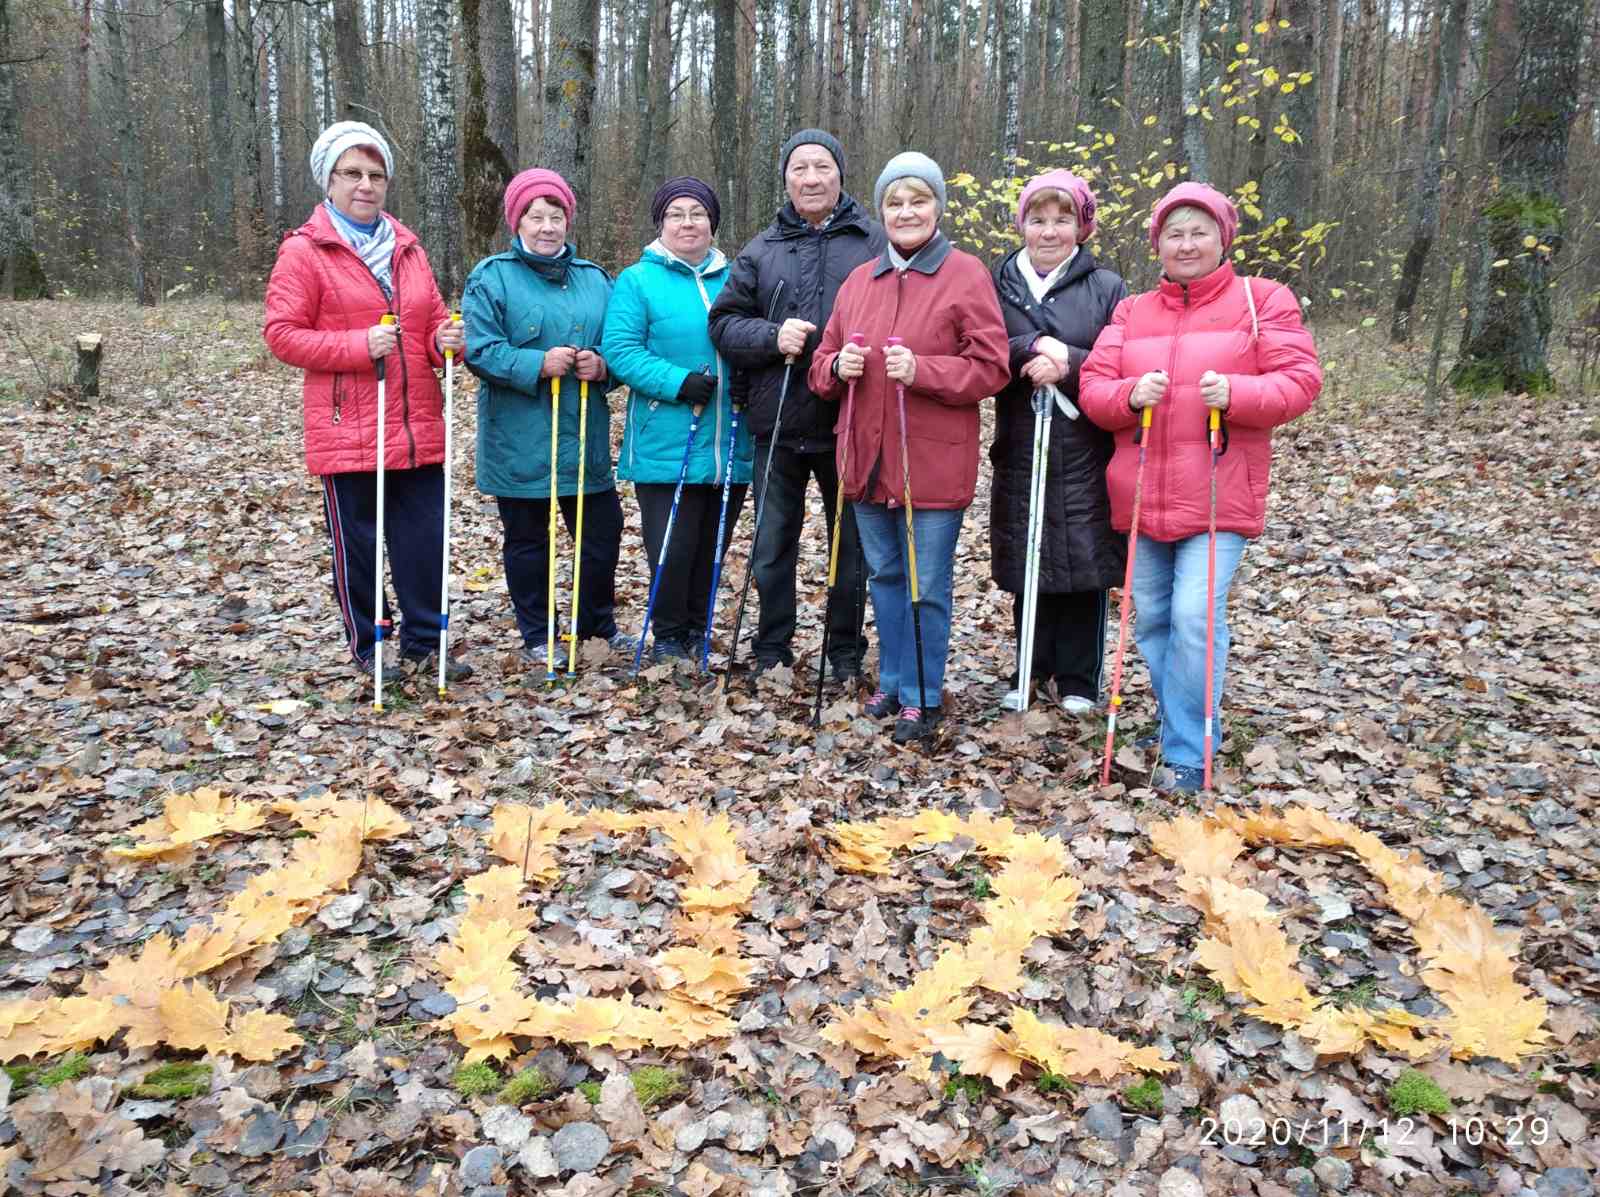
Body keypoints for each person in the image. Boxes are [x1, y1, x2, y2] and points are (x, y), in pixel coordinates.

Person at [1079, 182, 1321, 791]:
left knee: (1194, 617)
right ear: (1157, 242)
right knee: (1154, 619)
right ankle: (1179, 720)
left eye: (1199, 232)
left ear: (1224, 238)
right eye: (1173, 233)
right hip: (1141, 496)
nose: (1185, 244)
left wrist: (1237, 395)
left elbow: (1300, 382)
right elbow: (1094, 390)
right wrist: (1131, 397)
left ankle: (1189, 750)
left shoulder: (1261, 300)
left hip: (1219, 494)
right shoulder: (1133, 310)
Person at [808, 153, 1010, 744]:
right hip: (866, 459)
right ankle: (892, 682)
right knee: (886, 577)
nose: (906, 212)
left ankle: (923, 694)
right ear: (881, 211)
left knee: (926, 584)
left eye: (918, 200)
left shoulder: (965, 274)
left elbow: (992, 366)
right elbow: (822, 365)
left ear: (938, 207)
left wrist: (924, 370)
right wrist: (834, 366)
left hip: (931, 461)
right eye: (895, 202)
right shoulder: (859, 280)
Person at [264, 120, 469, 685]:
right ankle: (371, 643)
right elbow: (282, 334)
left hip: (415, 423)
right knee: (357, 547)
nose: (365, 185)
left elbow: (428, 323)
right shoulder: (305, 252)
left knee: (423, 542)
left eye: (375, 175)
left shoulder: (408, 248)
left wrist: (443, 341)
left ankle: (426, 642)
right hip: (347, 425)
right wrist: (359, 346)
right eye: (351, 173)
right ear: (327, 181)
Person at [708, 130, 886, 682]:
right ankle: (771, 647)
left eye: (822, 167)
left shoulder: (875, 243)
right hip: (777, 420)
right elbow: (722, 323)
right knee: (771, 545)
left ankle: (845, 651)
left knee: (849, 548)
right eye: (799, 169)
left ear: (840, 174)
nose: (811, 178)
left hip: (850, 423)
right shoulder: (762, 249)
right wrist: (771, 337)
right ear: (785, 179)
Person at [462, 168, 630, 669]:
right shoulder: (491, 278)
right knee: (529, 540)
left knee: (603, 531)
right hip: (520, 439)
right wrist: (537, 363)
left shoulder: (598, 280)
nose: (547, 227)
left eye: (555, 216)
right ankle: (539, 632)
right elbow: (479, 348)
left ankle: (595, 625)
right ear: (518, 222)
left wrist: (603, 366)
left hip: (584, 435)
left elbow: (623, 344)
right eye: (535, 217)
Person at [990, 170, 1128, 715]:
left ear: (1082, 226)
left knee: (1083, 557)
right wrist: (1033, 348)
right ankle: (1030, 666)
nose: (1050, 232)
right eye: (1039, 220)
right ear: (1023, 224)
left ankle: (1078, 677)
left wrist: (1067, 363)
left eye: (1063, 220)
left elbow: (1120, 361)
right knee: (1029, 553)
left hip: (1083, 444)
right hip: (1021, 440)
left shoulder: (1107, 288)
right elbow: (983, 343)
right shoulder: (998, 282)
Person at [601, 178, 753, 662]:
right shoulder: (637, 281)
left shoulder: (737, 278)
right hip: (667, 435)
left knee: (713, 544)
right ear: (660, 224)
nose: (687, 223)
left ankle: (696, 628)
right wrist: (676, 381)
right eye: (676, 214)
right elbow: (620, 350)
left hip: (730, 436)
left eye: (697, 214)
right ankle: (668, 634)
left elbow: (753, 337)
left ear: (712, 222)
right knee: (673, 544)